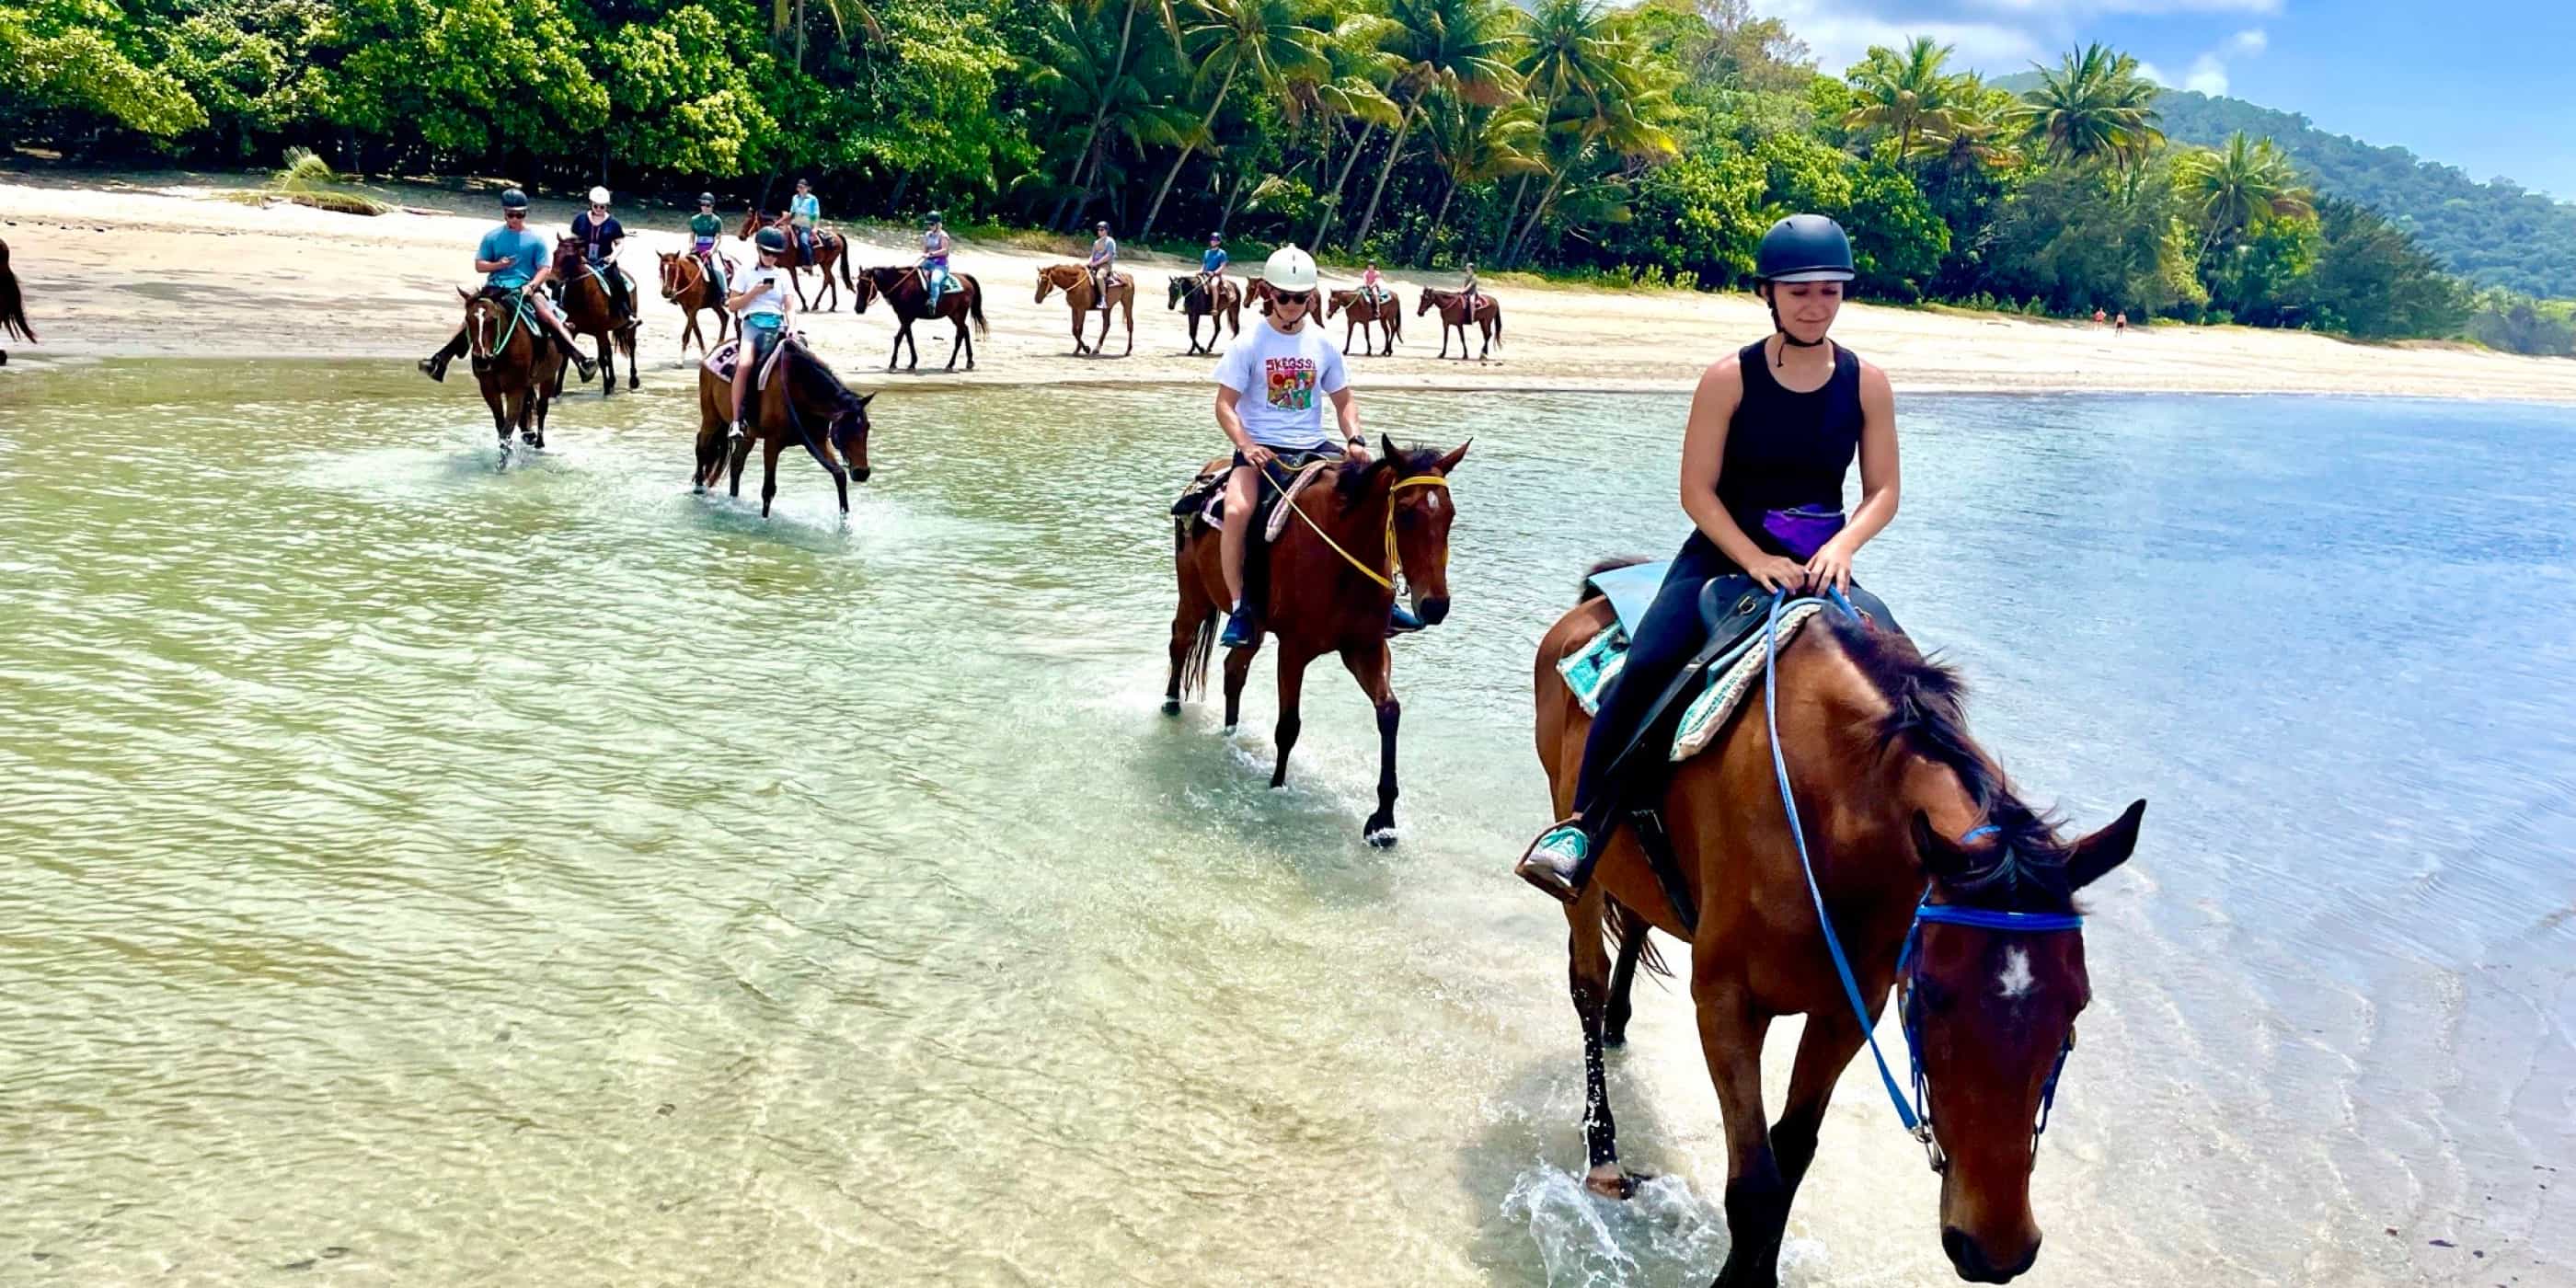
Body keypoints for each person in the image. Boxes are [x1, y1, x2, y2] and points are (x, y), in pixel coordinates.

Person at [1514, 213, 1902, 902]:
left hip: (1821, 562)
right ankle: (1582, 829)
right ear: (1768, 294)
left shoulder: (1866, 383)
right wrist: (1754, 559)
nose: (1815, 306)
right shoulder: (1729, 379)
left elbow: (1883, 492)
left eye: (1829, 291)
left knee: (1908, 678)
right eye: (1799, 292)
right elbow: (1696, 492)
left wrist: (1843, 546)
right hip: (1724, 555)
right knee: (1649, 665)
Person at [1213, 245, 1405, 648]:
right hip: (1261, 447)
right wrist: (1246, 445)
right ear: (1268, 293)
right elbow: (1224, 405)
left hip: (1314, 445)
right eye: (1283, 296)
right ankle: (1240, 608)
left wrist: (1355, 439)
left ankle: (1384, 596)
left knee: (1376, 499)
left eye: (1300, 298)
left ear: (1311, 298)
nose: (1291, 305)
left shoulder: (1323, 343)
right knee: (1236, 512)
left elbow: (1344, 400)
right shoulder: (1248, 343)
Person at [419, 188, 596, 384]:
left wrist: (532, 285)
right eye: (511, 215)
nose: (515, 219)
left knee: (547, 316)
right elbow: (480, 265)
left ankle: (580, 358)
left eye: (520, 215)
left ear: (525, 214)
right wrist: (499, 265)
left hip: (526, 288)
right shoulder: (492, 237)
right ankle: (440, 361)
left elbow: (544, 268)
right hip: (495, 288)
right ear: (505, 213)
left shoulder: (536, 240)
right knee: (473, 318)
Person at [726, 226, 796, 441]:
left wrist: (792, 326)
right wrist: (754, 292)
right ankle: (736, 421)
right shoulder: (745, 271)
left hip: (777, 324)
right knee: (744, 364)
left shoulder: (783, 274)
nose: (771, 257)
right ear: (758, 250)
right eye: (767, 252)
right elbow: (732, 305)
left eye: (775, 254)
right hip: (752, 324)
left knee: (805, 361)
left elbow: (789, 306)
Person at [567, 186, 633, 323]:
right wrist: (578, 255)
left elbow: (620, 243)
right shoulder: (580, 219)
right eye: (595, 206)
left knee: (618, 282)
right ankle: (557, 307)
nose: (598, 209)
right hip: (582, 260)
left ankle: (627, 313)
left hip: (604, 262)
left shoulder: (613, 224)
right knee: (563, 279)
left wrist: (612, 257)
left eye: (602, 207)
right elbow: (573, 240)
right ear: (591, 204)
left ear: (607, 206)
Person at [687, 192, 727, 297]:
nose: (704, 207)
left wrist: (712, 250)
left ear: (712, 206)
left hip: (711, 248)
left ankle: (725, 293)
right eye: (702, 204)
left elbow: (718, 239)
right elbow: (692, 236)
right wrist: (691, 246)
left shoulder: (717, 220)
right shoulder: (694, 219)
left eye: (707, 205)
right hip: (698, 248)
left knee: (718, 269)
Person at [920, 212, 954, 309]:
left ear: (938, 224)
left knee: (935, 281)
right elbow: (925, 247)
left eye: (932, 224)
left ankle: (933, 301)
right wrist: (924, 254)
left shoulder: (943, 236)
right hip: (928, 262)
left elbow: (944, 251)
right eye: (928, 224)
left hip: (940, 265)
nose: (929, 226)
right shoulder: (928, 234)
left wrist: (931, 254)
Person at [1087, 221, 1119, 312]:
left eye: (1102, 230)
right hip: (1095, 263)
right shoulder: (1096, 242)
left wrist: (1096, 263)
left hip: (1105, 265)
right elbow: (1092, 254)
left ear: (1106, 231)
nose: (1099, 231)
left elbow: (1108, 256)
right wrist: (1090, 261)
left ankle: (1103, 299)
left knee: (1099, 277)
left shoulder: (1110, 241)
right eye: (1098, 230)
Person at [787, 178, 821, 262]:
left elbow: (815, 214)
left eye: (802, 187)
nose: (800, 189)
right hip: (794, 222)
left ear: (807, 188)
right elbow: (792, 212)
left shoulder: (813, 199)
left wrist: (815, 227)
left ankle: (808, 262)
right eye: (798, 187)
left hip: (806, 224)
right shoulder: (794, 197)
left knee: (804, 241)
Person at [1199, 233, 1228, 297]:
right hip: (1206, 273)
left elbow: (1222, 266)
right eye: (1212, 239)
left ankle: (1214, 303)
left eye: (1215, 240)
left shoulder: (1222, 253)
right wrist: (1201, 271)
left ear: (1219, 242)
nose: (1213, 241)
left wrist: (1214, 273)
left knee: (1214, 285)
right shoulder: (1206, 252)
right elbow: (1204, 264)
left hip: (1216, 275)